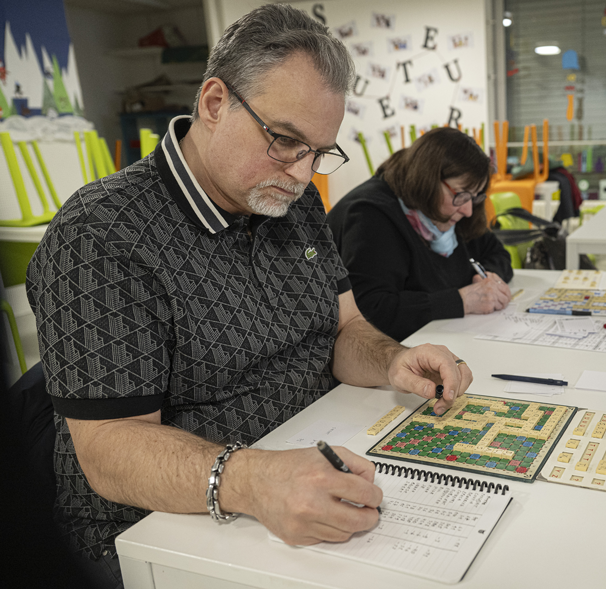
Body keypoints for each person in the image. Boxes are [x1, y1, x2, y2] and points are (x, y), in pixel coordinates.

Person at [25, 6, 472, 588]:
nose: (302, 171)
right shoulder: (102, 234)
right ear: (214, 103)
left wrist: (390, 358)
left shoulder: (292, 200)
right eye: (286, 141)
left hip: (303, 462)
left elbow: (344, 329)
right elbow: (109, 448)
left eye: (319, 151)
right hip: (160, 531)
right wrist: (255, 482)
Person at [327, 127, 514, 341]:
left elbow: (498, 254)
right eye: (462, 195)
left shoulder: (453, 208)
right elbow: (370, 311)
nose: (468, 210)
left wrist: (486, 282)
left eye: (475, 197)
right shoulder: (370, 216)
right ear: (428, 181)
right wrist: (460, 301)